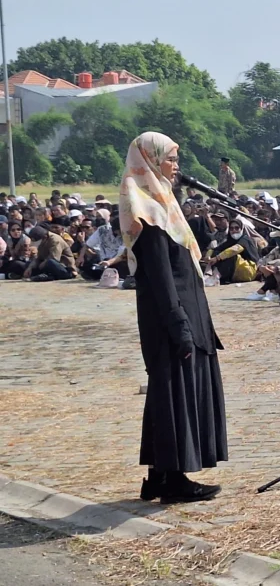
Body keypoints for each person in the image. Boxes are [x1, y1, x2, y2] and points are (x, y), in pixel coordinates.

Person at [119, 132, 225, 504]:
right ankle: (175, 479)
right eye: (170, 159)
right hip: (170, 318)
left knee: (171, 396)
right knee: (173, 395)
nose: (176, 166)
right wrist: (179, 324)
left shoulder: (163, 202)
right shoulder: (144, 210)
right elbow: (162, 278)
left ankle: (160, 475)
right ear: (150, 160)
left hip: (186, 314)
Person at [208, 217, 260, 285]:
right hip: (237, 271)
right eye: (231, 228)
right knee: (217, 253)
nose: (234, 230)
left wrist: (217, 258)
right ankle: (215, 276)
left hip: (250, 271)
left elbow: (236, 249)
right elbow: (214, 249)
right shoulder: (230, 241)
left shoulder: (245, 239)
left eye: (237, 228)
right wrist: (208, 256)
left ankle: (217, 276)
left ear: (242, 229)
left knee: (230, 255)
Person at [81, 212, 128, 280]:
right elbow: (87, 245)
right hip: (105, 261)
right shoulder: (102, 230)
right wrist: (81, 257)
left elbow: (121, 256)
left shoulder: (127, 235)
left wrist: (109, 262)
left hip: (118, 262)